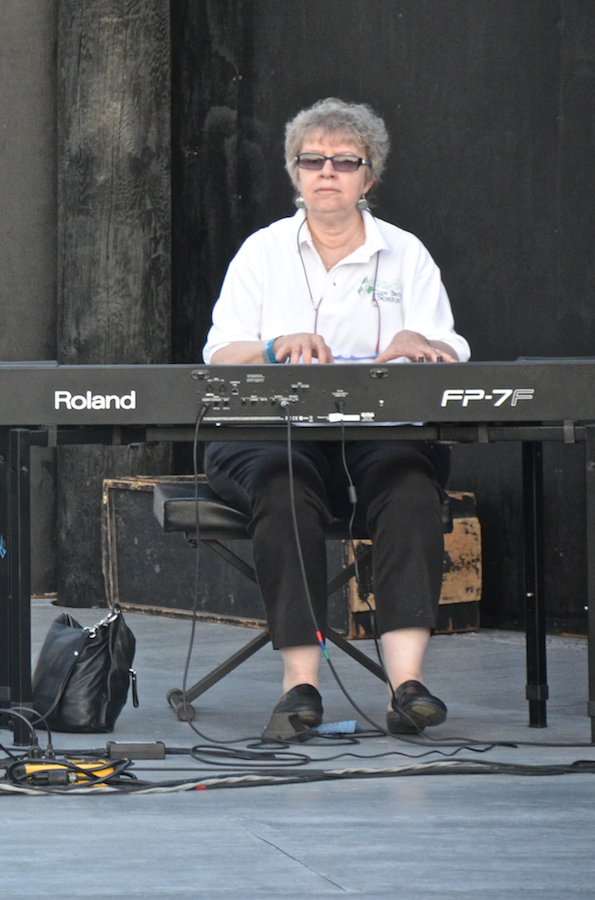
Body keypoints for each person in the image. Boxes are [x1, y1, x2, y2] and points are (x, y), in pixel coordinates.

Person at [202, 98, 470, 736]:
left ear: (368, 177)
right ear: (295, 173)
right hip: (272, 430)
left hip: (378, 430)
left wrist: (420, 350)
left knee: (409, 489)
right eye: (313, 160)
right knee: (282, 486)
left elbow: (453, 350)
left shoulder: (406, 254)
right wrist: (272, 349)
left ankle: (406, 687)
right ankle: (300, 688)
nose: (328, 172)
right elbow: (219, 354)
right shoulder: (261, 252)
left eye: (344, 162)